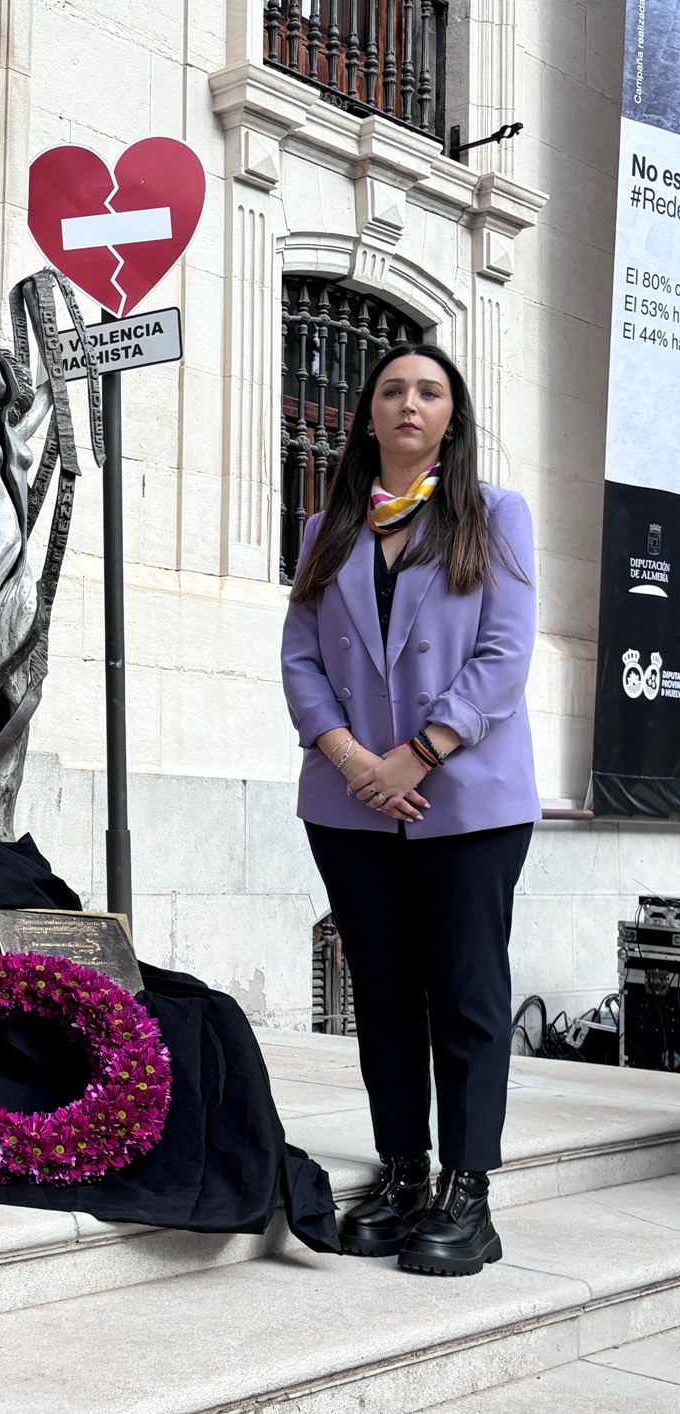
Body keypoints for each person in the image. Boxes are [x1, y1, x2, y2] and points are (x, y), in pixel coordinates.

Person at [281, 343, 537, 1277]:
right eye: (391, 390)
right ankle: (401, 1172)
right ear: (367, 414)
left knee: (464, 994)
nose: (408, 404)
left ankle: (467, 1193)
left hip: (466, 800)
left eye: (428, 392)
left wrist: (416, 752)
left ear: (449, 419)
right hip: (351, 803)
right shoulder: (328, 529)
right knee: (382, 994)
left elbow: (504, 654)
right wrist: (350, 757)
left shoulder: (493, 515)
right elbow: (300, 656)